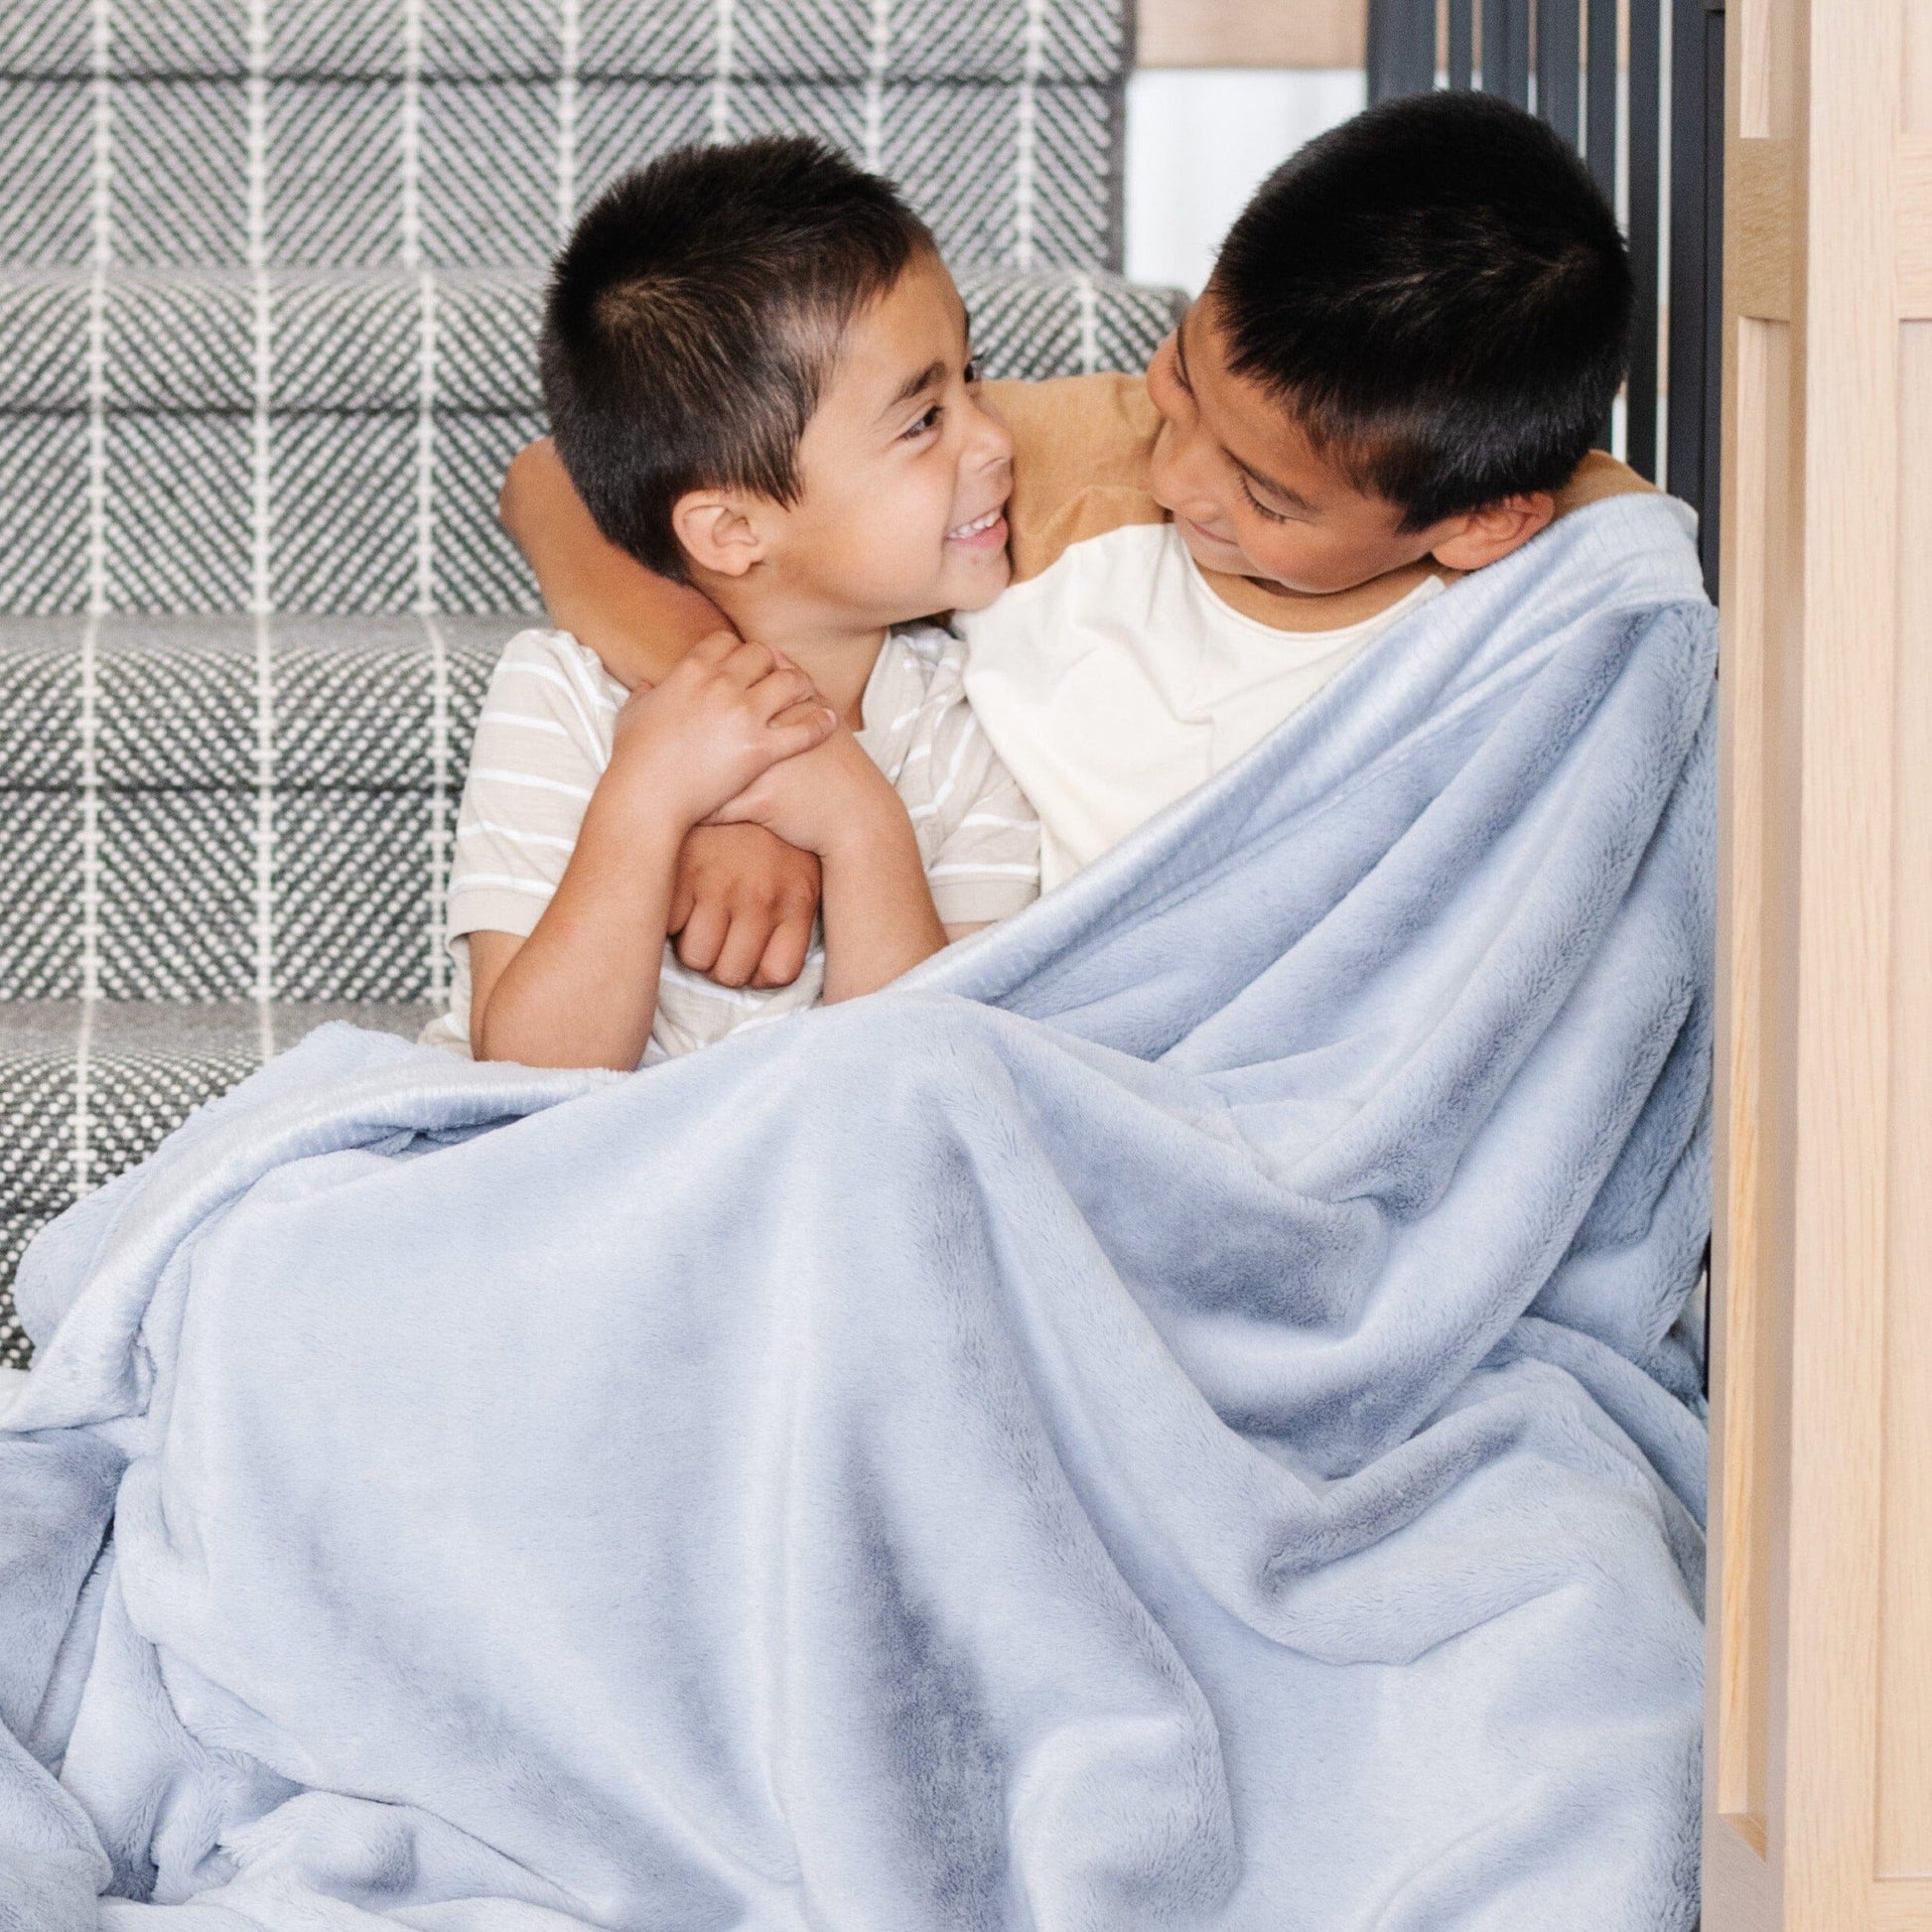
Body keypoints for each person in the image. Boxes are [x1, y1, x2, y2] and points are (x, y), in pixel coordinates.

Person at [500, 87, 1643, 952]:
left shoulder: (1555, 597)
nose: (1183, 476)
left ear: (1483, 523)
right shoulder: (1063, 466)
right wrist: (749, 746)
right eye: (1181, 375)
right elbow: (571, 475)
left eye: (1264, 495)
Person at [427, 137, 1038, 1071]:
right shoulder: (563, 697)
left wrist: (861, 822)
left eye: (973, 378)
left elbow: (922, 1090)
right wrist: (651, 795)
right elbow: (529, 1073)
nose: (995, 440)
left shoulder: (968, 718)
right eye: (924, 421)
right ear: (731, 532)